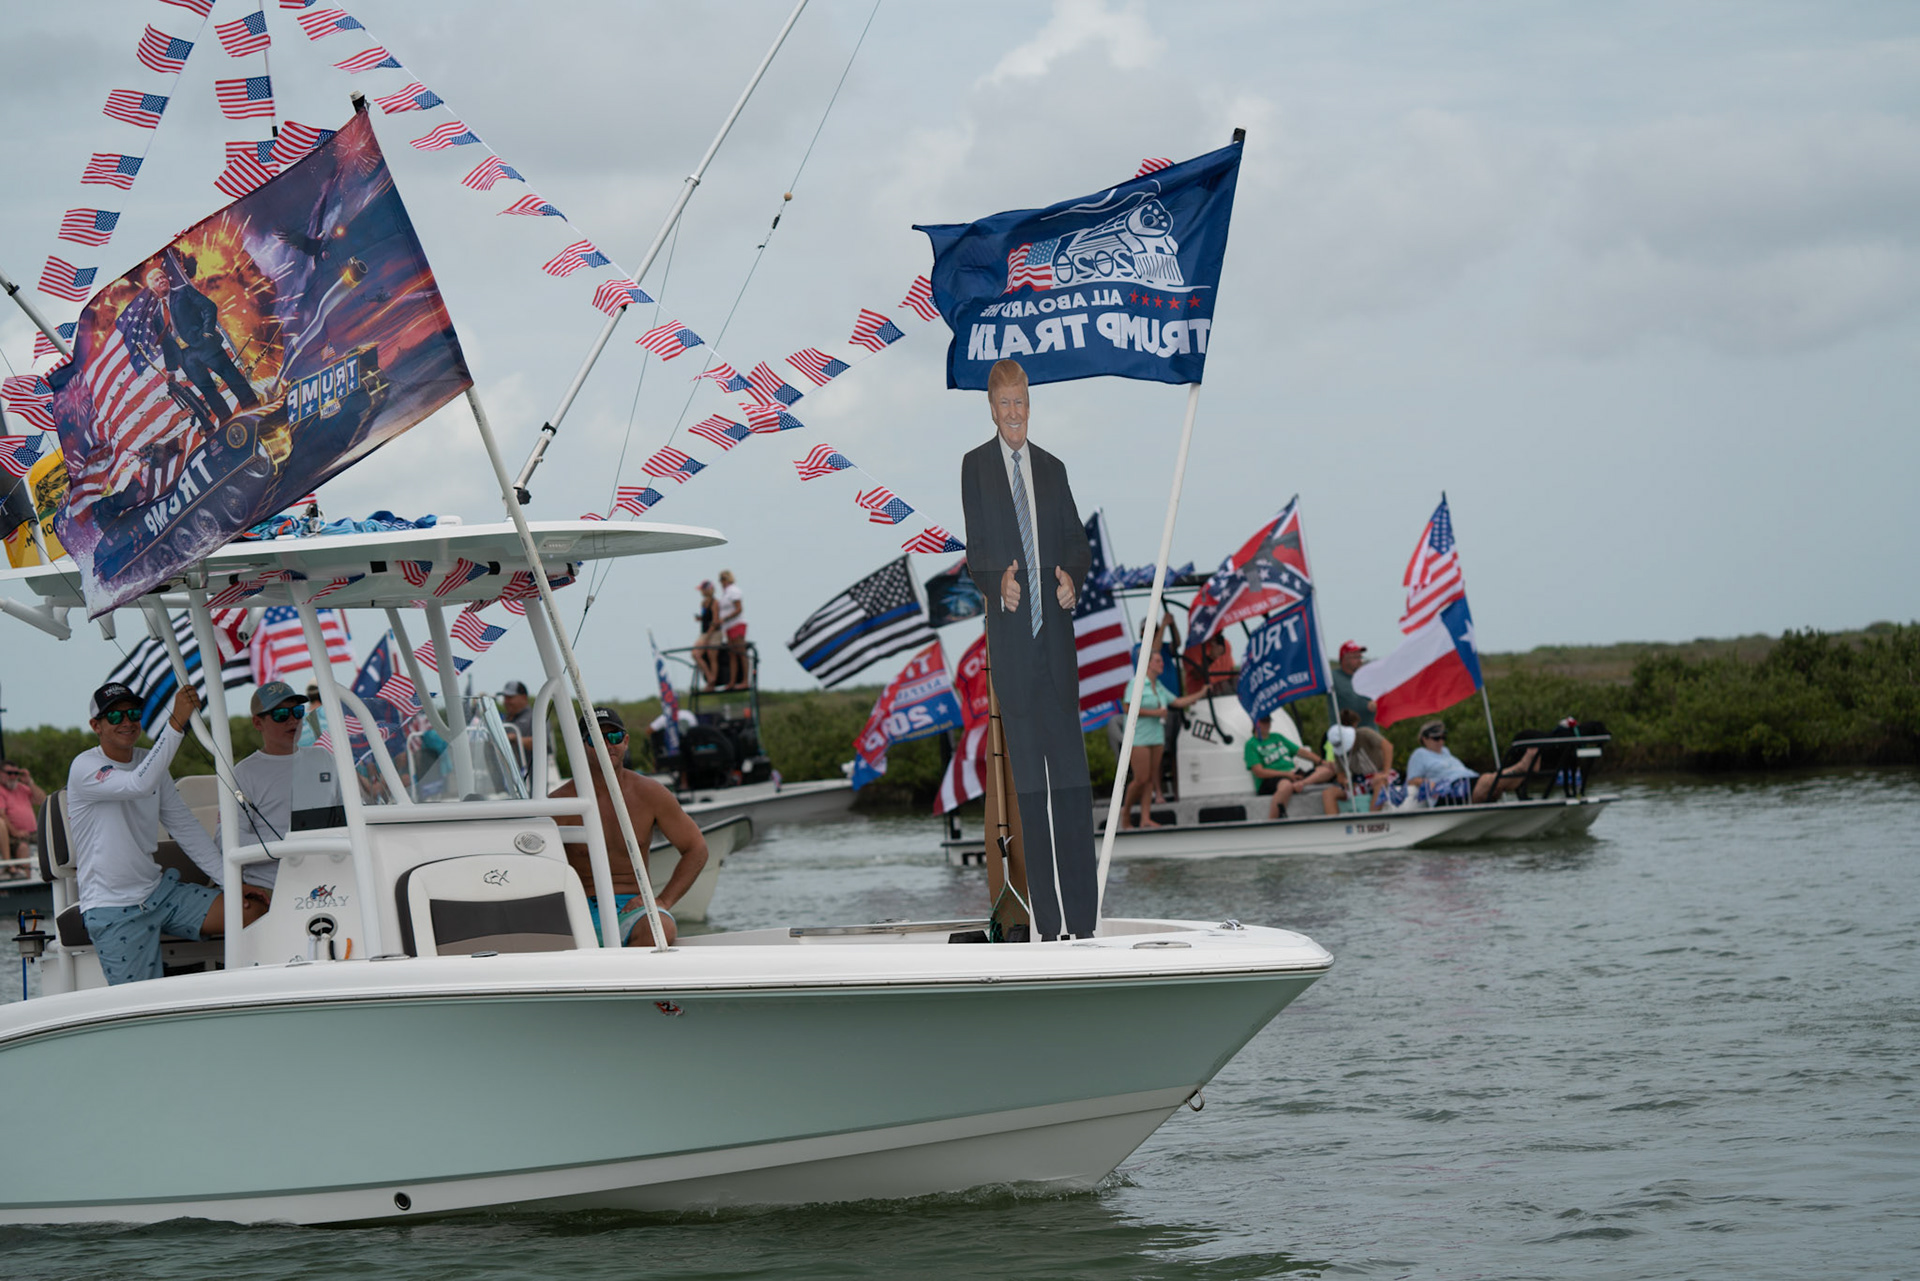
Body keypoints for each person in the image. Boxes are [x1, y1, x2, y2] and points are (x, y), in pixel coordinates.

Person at [959, 357, 1095, 939]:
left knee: (1071, 788)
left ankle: (1084, 928)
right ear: (992, 408)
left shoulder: (1055, 468)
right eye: (1005, 405)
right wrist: (999, 582)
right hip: (1014, 652)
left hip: (1057, 655)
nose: (1015, 414)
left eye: (1022, 404)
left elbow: (1076, 543)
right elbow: (977, 548)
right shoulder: (975, 468)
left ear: (1029, 406)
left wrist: (1072, 579)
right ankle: (1049, 925)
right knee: (1033, 795)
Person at [69, 682, 268, 985]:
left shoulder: (150, 762)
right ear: (96, 726)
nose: (127, 721)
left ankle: (239, 996)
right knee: (136, 1010)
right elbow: (137, 784)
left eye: (133, 713)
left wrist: (233, 883)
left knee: (253, 910)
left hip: (160, 894)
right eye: (115, 717)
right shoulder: (85, 766)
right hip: (112, 910)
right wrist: (176, 722)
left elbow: (185, 828)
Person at [551, 707, 708, 946]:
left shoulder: (651, 794)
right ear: (580, 746)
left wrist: (663, 901)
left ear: (625, 741)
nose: (607, 745)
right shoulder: (558, 804)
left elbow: (697, 848)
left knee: (661, 928)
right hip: (579, 909)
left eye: (613, 737)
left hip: (633, 907)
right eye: (596, 738)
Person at [214, 682, 345, 894]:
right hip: (271, 888)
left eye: (297, 711)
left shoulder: (325, 758)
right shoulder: (242, 773)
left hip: (331, 879)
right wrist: (292, 841)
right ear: (258, 723)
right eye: (281, 714)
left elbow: (350, 816)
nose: (292, 720)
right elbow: (226, 840)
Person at [1120, 649, 1206, 828]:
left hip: (1156, 736)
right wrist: (1155, 713)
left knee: (1151, 778)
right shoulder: (1136, 683)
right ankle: (1125, 813)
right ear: (1148, 663)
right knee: (1141, 779)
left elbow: (1177, 702)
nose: (1162, 664)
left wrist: (1201, 693)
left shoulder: (1158, 686)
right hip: (1139, 737)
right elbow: (1128, 708)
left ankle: (1145, 818)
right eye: (1158, 661)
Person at [1404, 719, 1539, 805]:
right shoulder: (1419, 754)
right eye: (1436, 738)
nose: (1441, 741)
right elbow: (1411, 780)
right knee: (1488, 780)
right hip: (1450, 790)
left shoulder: (1446, 752)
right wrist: (1427, 782)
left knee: (1498, 783)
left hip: (1468, 780)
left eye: (1443, 737)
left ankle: (1525, 769)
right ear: (1424, 739)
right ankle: (1522, 766)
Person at [1242, 713, 1336, 820]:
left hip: (1292, 773)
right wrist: (1286, 774)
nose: (1267, 724)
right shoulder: (1251, 744)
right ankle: (1273, 820)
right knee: (1286, 785)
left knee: (1328, 770)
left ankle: (1302, 783)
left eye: (1268, 721)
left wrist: (1321, 761)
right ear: (1256, 724)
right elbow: (1259, 772)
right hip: (1271, 779)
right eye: (1264, 721)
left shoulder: (1277, 737)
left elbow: (1300, 752)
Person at [1327, 709, 1396, 810]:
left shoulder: (1364, 733)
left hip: (1378, 774)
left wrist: (1385, 772)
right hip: (1358, 781)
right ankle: (1334, 825)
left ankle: (1372, 822)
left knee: (1380, 784)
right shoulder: (1338, 749)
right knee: (1328, 793)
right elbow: (1340, 775)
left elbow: (1388, 746)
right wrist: (1346, 782)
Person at [1, 755, 47, 878]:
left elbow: (43, 800)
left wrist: (29, 782)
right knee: (23, 847)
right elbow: (2, 815)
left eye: (16, 773)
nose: (13, 776)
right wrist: (15, 832)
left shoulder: (22, 788)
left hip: (32, 833)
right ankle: (27, 883)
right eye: (9, 773)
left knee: (54, 839)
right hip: (14, 836)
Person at [1331, 640, 1378, 730]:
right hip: (1344, 736)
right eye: (1355, 657)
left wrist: (1377, 703)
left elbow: (1382, 697)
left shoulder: (1368, 677)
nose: (1360, 661)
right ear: (1344, 659)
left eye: (1360, 657)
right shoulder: (1332, 677)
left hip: (1370, 735)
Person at [717, 569, 748, 690]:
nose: (721, 582)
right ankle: (732, 681)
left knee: (741, 652)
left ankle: (745, 680)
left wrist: (725, 618)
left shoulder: (734, 591)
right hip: (728, 627)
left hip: (737, 624)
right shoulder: (726, 593)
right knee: (732, 654)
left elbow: (739, 609)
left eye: (723, 579)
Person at [693, 580, 723, 692]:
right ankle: (710, 677)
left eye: (702, 589)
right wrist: (700, 619)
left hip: (714, 633)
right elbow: (706, 617)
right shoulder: (703, 603)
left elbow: (715, 621)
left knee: (712, 656)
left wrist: (708, 637)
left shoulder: (715, 603)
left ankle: (712, 682)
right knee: (696, 654)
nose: (701, 592)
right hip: (705, 632)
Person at [499, 680, 534, 759]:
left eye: (510, 698)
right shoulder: (504, 720)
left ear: (524, 697)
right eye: (505, 698)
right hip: (508, 771)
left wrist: (515, 738)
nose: (506, 702)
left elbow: (542, 744)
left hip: (532, 771)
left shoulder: (536, 718)